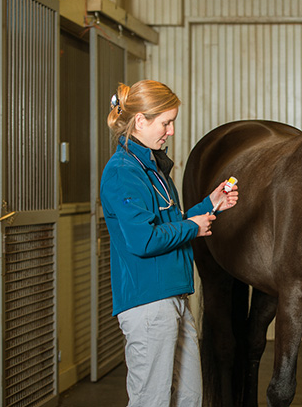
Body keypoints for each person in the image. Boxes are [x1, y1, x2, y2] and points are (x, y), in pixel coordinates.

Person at [100, 80, 238, 407]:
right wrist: (193, 226)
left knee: (189, 396)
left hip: (173, 296)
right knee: (153, 400)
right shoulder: (123, 171)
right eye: (166, 122)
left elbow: (167, 224)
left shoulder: (153, 168)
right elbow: (143, 239)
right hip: (149, 303)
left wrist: (208, 205)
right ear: (140, 121)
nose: (171, 131)